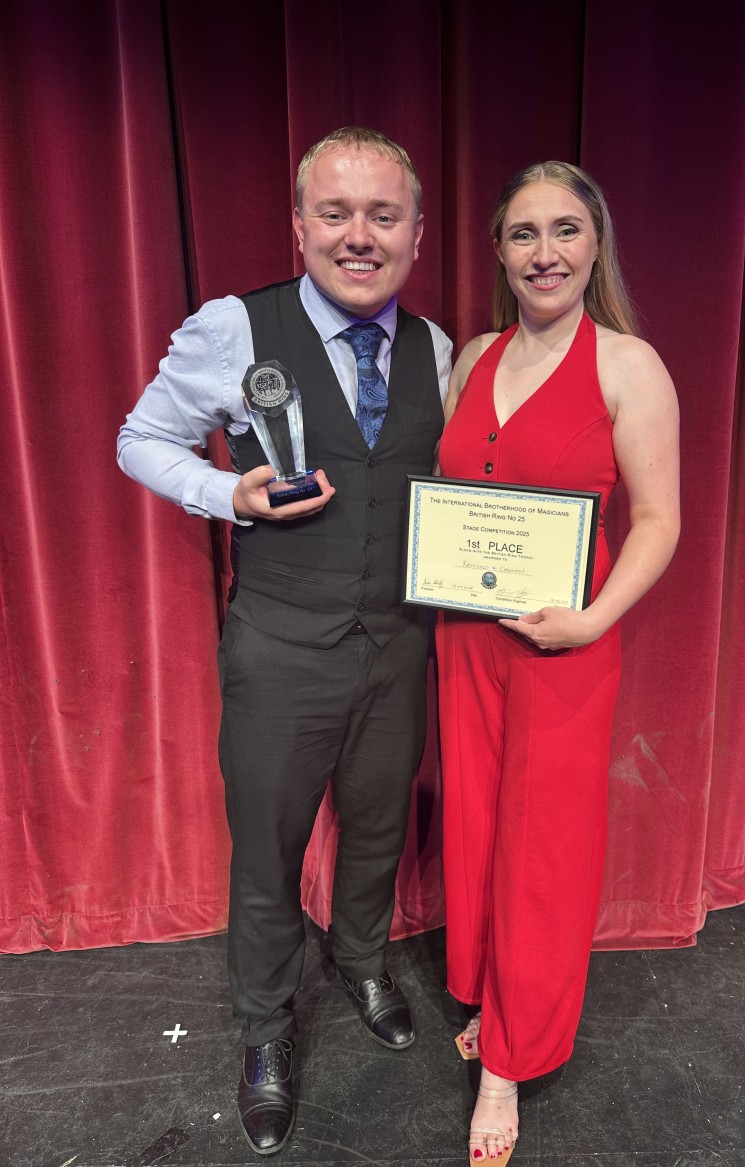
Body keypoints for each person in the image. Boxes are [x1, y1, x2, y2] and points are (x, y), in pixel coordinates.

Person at [118, 127, 452, 1157]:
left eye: (383, 215)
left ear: (416, 233)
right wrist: (228, 494)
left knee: (378, 827)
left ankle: (361, 960)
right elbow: (141, 439)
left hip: (398, 644)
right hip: (279, 647)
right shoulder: (234, 327)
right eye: (336, 213)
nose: (360, 236)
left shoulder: (438, 349)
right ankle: (264, 1029)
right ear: (299, 225)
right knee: (267, 852)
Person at [435, 162, 680, 1165]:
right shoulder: (471, 357)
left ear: (595, 245)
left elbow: (657, 520)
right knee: (477, 828)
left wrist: (592, 620)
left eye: (565, 230)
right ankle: (488, 995)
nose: (545, 253)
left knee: (541, 847)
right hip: (463, 641)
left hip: (562, 647)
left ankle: (507, 1063)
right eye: (524, 233)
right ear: (498, 250)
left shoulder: (628, 365)